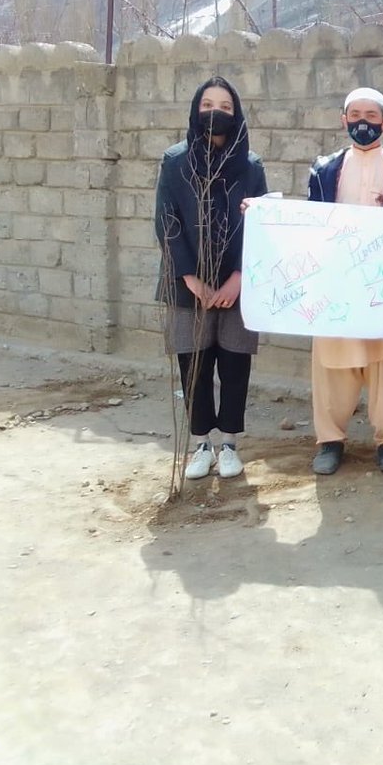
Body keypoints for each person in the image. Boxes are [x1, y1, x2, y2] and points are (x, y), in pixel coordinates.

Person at [154, 76, 267, 480]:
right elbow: (166, 222)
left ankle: (230, 444)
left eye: (224, 105)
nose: (214, 113)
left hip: (238, 286)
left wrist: (238, 276)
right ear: (195, 111)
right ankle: (201, 443)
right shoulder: (175, 160)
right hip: (188, 289)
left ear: (236, 114)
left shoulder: (251, 166)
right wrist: (191, 279)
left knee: (235, 366)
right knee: (195, 367)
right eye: (206, 105)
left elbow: (261, 225)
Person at [307, 87, 383, 478]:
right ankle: (329, 440)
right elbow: (308, 224)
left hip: (380, 288)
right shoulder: (323, 169)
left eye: (371, 115)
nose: (362, 122)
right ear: (343, 119)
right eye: (354, 114)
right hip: (335, 287)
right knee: (329, 366)